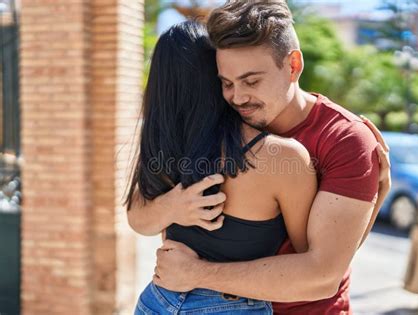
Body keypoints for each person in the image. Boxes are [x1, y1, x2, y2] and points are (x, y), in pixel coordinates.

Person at [129, 1, 392, 314]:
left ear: (293, 65)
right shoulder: (222, 118)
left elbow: (322, 276)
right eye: (226, 83)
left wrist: (195, 273)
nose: (238, 97)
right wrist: (172, 206)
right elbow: (140, 211)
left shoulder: (346, 139)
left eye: (252, 81)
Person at [127, 21, 321, 314]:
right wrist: (174, 207)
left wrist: (170, 208)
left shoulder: (165, 150)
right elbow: (312, 265)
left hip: (157, 301)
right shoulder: (283, 157)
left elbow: (136, 218)